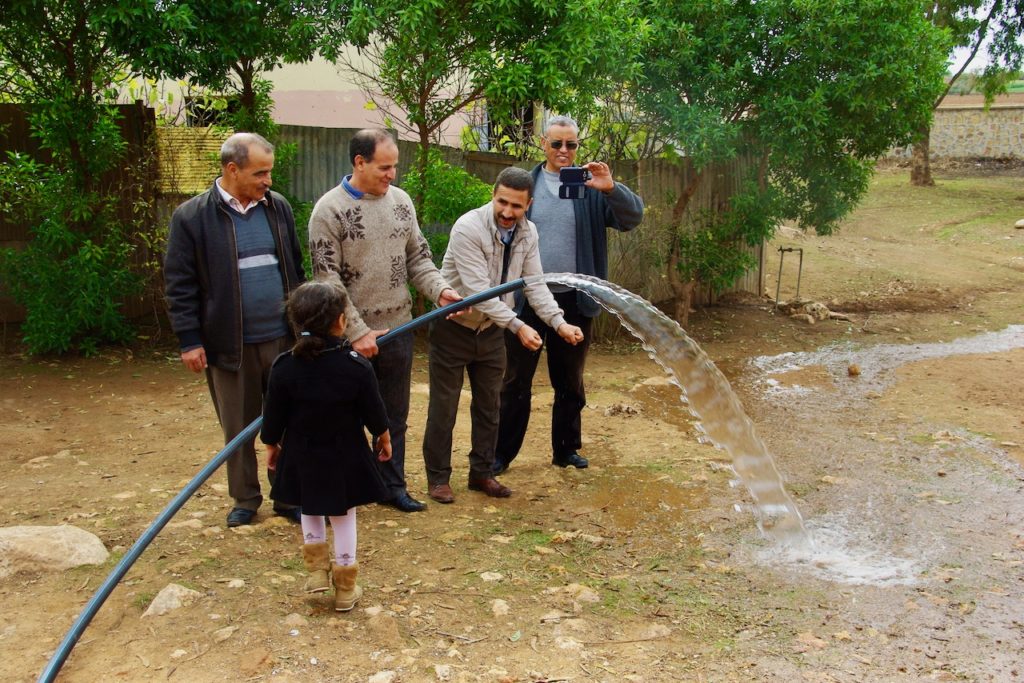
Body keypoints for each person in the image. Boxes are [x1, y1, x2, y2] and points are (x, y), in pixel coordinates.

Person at [308, 128, 462, 513]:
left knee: (394, 417)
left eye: (395, 166)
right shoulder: (328, 211)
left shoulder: (401, 202)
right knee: (342, 418)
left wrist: (440, 291)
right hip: (347, 339)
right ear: (359, 162)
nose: (392, 174)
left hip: (398, 330)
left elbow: (418, 259)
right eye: (384, 167)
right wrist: (357, 332)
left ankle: (393, 486)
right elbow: (328, 281)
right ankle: (344, 490)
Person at [164, 132, 305, 528]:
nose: (268, 181)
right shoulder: (191, 217)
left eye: (270, 172)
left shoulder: (278, 208)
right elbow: (180, 283)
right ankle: (245, 498)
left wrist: (303, 329)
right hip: (230, 344)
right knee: (239, 426)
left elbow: (294, 268)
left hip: (282, 339)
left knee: (290, 420)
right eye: (260, 173)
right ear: (232, 169)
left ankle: (288, 494)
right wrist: (190, 340)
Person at [422, 167, 584, 504]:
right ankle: (438, 478)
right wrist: (519, 325)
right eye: (502, 202)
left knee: (490, 406)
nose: (508, 212)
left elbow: (535, 284)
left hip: (492, 331)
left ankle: (482, 472)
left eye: (517, 206)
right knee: (444, 408)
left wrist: (559, 323)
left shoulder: (529, 233)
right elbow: (480, 290)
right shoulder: (468, 227)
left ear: (529, 205)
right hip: (455, 329)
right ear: (493, 194)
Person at [494, 115, 644, 475]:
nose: (564, 151)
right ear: (543, 143)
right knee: (516, 380)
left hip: (576, 300)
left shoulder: (591, 187)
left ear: (578, 146)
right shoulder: (524, 185)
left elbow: (632, 217)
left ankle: (566, 450)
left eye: (571, 144)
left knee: (570, 382)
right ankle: (501, 454)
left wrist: (610, 188)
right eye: (557, 143)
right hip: (528, 298)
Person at [261, 281, 391, 612]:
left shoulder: (284, 367)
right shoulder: (355, 365)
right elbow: (374, 411)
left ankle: (317, 571)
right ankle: (346, 589)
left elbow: (273, 416)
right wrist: (383, 436)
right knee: (344, 515)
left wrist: (271, 445)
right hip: (344, 456)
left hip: (303, 454)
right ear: (341, 321)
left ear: (296, 322)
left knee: (309, 506)